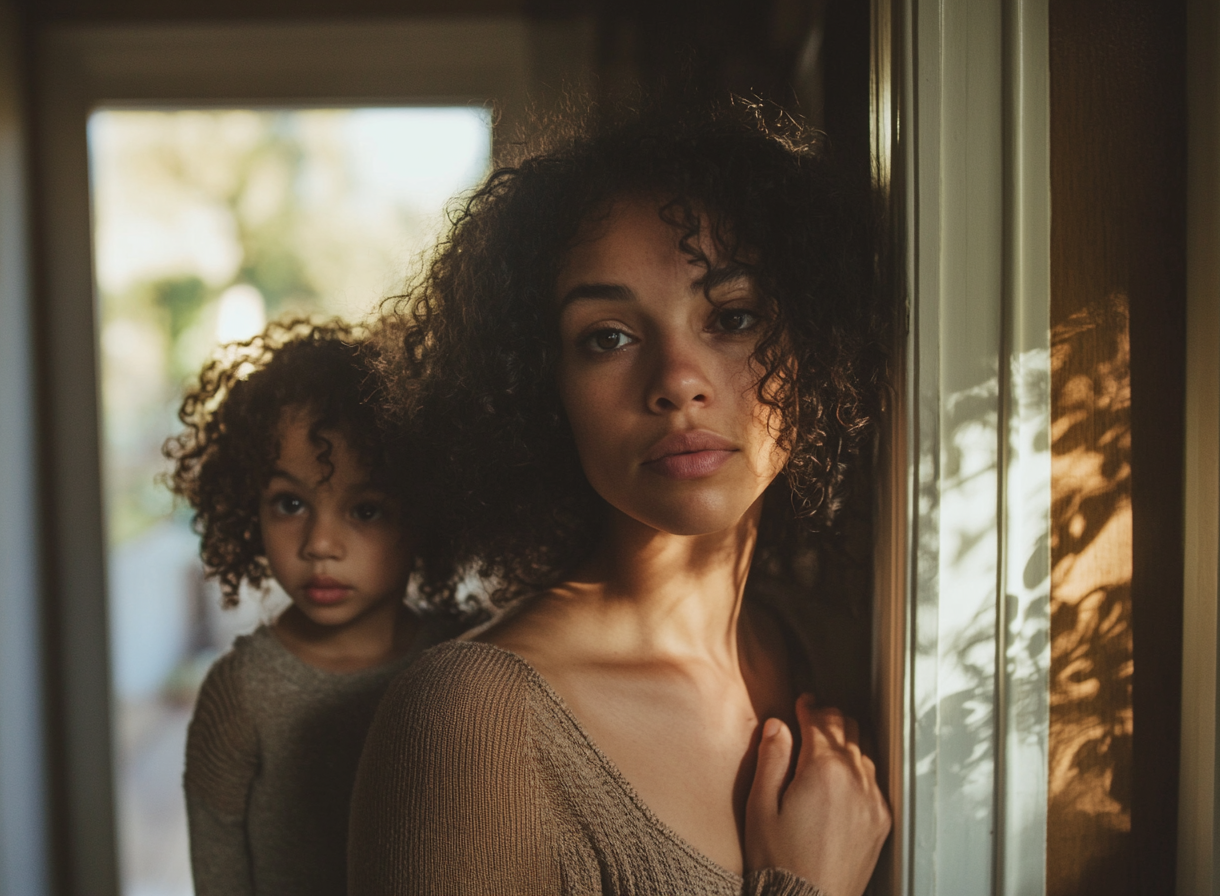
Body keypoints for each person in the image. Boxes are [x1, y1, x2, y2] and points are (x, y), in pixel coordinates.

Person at [348, 97, 892, 896]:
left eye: (733, 317)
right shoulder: (471, 723)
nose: (676, 381)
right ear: (542, 387)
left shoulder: (829, 647)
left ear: (816, 343)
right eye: (608, 336)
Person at [164, 318, 457, 896]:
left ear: (426, 511)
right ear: (249, 508)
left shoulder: (470, 662)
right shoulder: (241, 695)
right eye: (290, 503)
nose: (320, 544)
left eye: (366, 509)